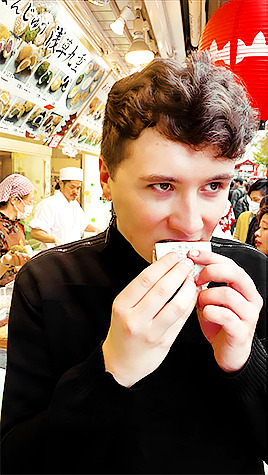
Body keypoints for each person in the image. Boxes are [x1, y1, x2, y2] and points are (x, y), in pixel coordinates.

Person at [1, 52, 266, 475]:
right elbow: (16, 461)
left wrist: (244, 363)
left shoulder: (250, 275)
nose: (192, 222)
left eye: (214, 185)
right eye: (162, 185)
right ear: (106, 178)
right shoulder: (49, 282)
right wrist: (110, 370)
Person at [29, 167, 100, 248]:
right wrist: (54, 239)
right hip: (54, 255)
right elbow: (35, 233)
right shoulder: (48, 204)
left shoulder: (74, 204)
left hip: (71, 253)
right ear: (61, 183)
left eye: (78, 188)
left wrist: (98, 231)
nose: (75, 192)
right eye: (72, 187)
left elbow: (83, 224)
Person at [0, 174, 35, 287]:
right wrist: (4, 262)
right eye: (30, 201)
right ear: (15, 199)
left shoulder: (18, 225)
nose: (31, 205)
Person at [233, 177, 268, 244]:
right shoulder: (246, 217)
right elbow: (236, 238)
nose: (252, 203)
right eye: (251, 199)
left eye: (256, 199)